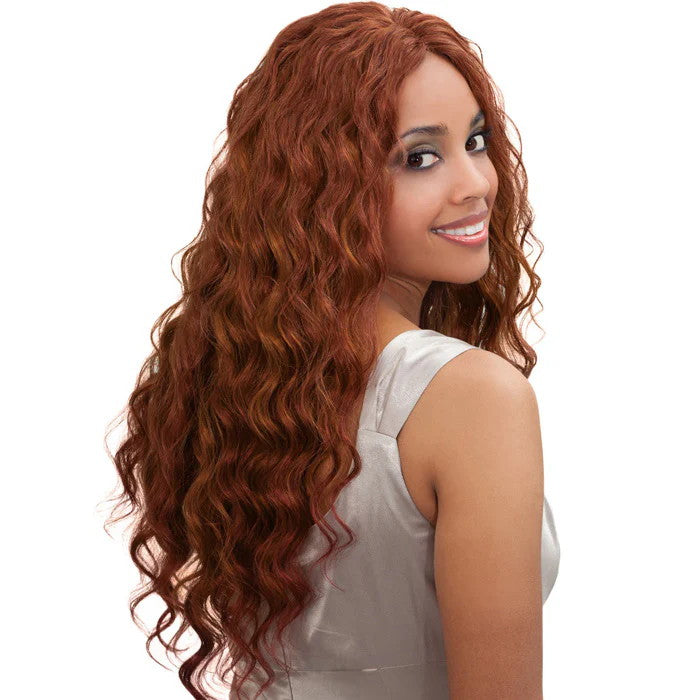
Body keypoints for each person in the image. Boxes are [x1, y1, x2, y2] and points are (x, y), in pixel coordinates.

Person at [102, 3, 560, 699]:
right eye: (420, 157)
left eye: (476, 140)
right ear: (325, 187)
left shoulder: (238, 383)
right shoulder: (472, 397)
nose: (477, 183)